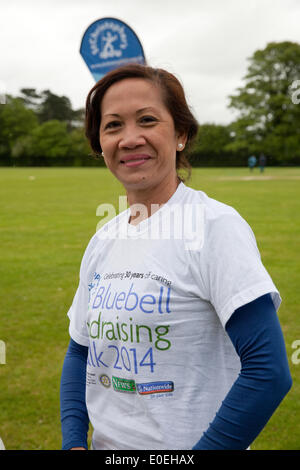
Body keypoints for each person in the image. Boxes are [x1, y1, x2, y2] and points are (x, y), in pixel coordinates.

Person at [60, 64, 292, 451]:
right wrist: (73, 443)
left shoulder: (214, 226)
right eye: (113, 125)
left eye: (147, 120)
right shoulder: (103, 240)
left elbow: (267, 371)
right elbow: (79, 351)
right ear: (100, 143)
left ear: (181, 134)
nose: (130, 138)